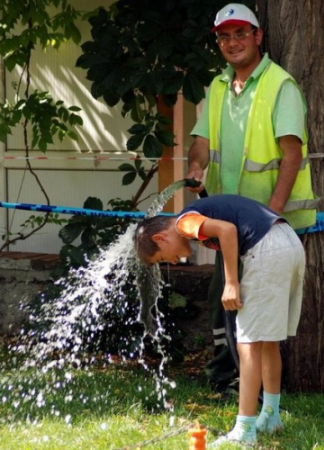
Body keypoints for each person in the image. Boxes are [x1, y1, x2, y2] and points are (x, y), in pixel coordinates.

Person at [186, 3, 318, 395]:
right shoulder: (218, 87)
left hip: (271, 229)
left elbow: (291, 155)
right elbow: (201, 144)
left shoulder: (281, 86)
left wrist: (268, 222)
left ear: (258, 36)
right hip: (231, 228)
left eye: (240, 33)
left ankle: (257, 393)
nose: (232, 42)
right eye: (224, 36)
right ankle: (225, 380)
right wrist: (196, 167)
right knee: (222, 298)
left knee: (259, 311)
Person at [133, 194, 306, 447]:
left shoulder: (183, 223)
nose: (170, 262)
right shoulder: (195, 218)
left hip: (267, 248)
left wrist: (232, 283)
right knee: (267, 340)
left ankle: (245, 429)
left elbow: (227, 230)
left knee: (247, 344)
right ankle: (270, 416)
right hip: (288, 242)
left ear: (161, 238)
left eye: (161, 258)